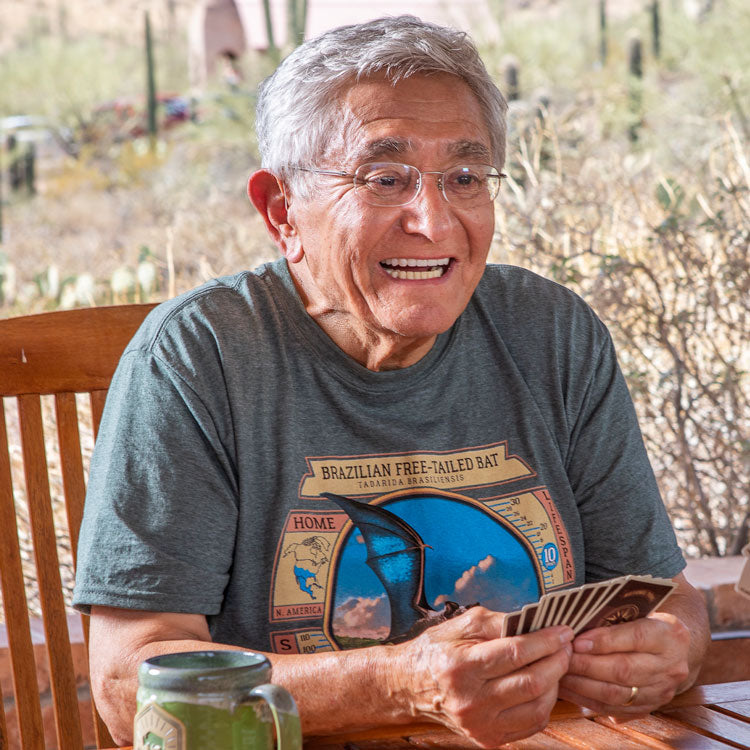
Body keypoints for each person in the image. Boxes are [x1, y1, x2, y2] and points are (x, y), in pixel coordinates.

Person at [73, 15, 709, 748]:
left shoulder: (551, 333)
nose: (434, 221)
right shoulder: (203, 356)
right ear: (282, 212)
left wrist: (669, 649)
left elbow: (669, 601)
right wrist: (403, 685)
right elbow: (134, 686)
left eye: (465, 178)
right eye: (385, 179)